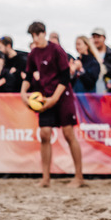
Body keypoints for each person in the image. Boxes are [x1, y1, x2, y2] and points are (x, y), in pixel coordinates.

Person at [20, 21, 83, 188]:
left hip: (62, 95)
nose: (35, 38)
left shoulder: (56, 50)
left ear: (44, 33)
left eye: (37, 34)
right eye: (33, 35)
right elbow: (28, 76)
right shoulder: (33, 54)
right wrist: (23, 93)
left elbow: (65, 76)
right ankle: (45, 178)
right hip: (45, 95)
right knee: (44, 134)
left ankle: (79, 177)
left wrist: (54, 99)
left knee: (69, 134)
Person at [88, 28, 111, 93]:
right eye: (94, 37)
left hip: (107, 91)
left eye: (98, 37)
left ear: (104, 38)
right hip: (92, 92)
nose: (96, 40)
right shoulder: (89, 55)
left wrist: (104, 65)